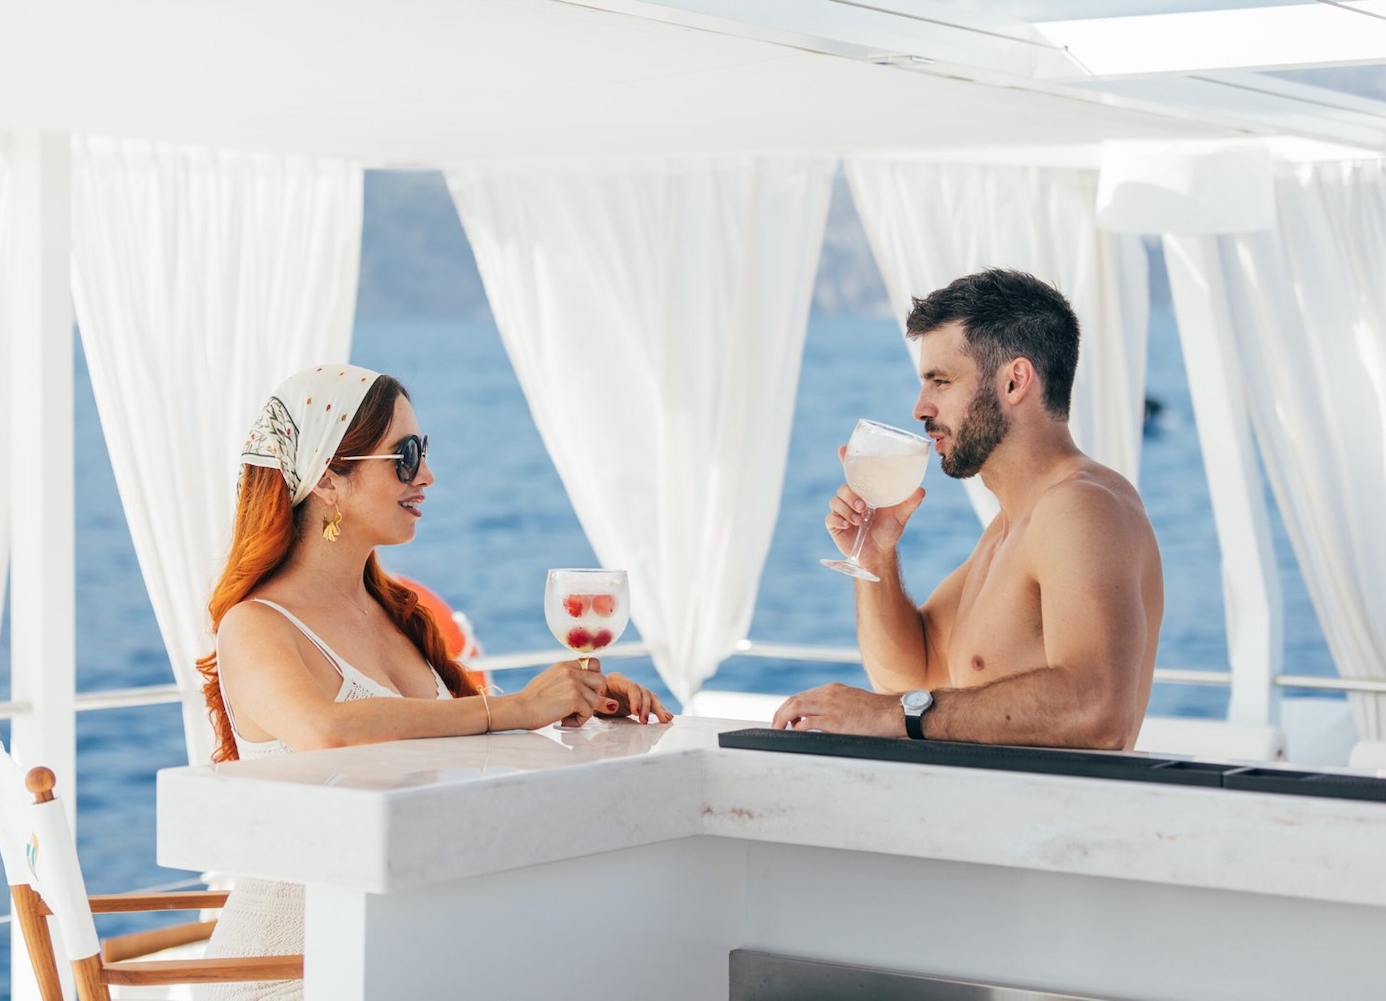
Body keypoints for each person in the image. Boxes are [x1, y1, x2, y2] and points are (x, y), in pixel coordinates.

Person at [194, 364, 671, 999]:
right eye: (406, 455)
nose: (426, 475)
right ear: (330, 478)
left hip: (400, 950)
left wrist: (571, 704)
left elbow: (443, 744)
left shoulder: (398, 615)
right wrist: (507, 710)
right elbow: (327, 731)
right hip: (296, 966)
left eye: (425, 453)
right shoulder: (256, 625)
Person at [773, 269, 1163, 750]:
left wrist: (890, 715)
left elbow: (1101, 711)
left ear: (1015, 381)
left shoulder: (1082, 507)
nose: (920, 408)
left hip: (1052, 825)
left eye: (940, 381)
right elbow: (905, 677)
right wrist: (876, 560)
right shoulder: (1010, 527)